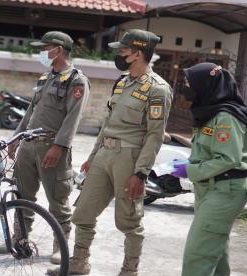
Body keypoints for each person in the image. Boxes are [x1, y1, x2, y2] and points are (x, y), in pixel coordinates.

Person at [49, 29, 172, 276]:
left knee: (128, 219)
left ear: (138, 53)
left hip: (129, 159)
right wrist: (93, 156)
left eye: (123, 50)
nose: (119, 54)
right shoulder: (122, 83)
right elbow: (107, 125)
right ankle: (79, 262)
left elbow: (154, 136)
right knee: (83, 212)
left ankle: (129, 270)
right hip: (104, 155)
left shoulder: (157, 89)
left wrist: (141, 172)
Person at [0, 31, 90, 264]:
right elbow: (31, 112)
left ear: (58, 50)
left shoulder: (77, 80)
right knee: (23, 194)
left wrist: (59, 146)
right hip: (29, 146)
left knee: (58, 198)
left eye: (45, 48)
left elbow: (73, 117)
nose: (41, 52)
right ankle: (20, 238)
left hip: (52, 148)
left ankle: (60, 244)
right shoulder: (45, 78)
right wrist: (16, 138)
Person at [171, 62, 247, 276]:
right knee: (215, 251)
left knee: (198, 254)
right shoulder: (210, 112)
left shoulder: (226, 116)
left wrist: (191, 170)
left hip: (225, 189)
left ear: (206, 85)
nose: (187, 87)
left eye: (191, 83)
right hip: (211, 188)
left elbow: (228, 158)